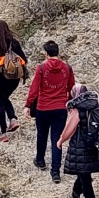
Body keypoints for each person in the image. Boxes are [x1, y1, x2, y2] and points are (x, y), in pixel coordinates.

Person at [25, 40, 76, 183]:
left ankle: (40, 160)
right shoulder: (67, 68)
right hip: (60, 108)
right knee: (57, 139)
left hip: (43, 108)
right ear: (58, 52)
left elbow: (34, 89)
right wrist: (70, 103)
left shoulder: (41, 68)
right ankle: (55, 172)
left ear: (46, 54)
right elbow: (71, 88)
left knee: (41, 134)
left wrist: (28, 105)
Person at [59, 84, 99, 198]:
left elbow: (70, 128)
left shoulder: (77, 109)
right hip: (96, 146)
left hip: (81, 146)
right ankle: (75, 194)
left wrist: (61, 140)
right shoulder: (97, 106)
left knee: (84, 174)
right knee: (84, 172)